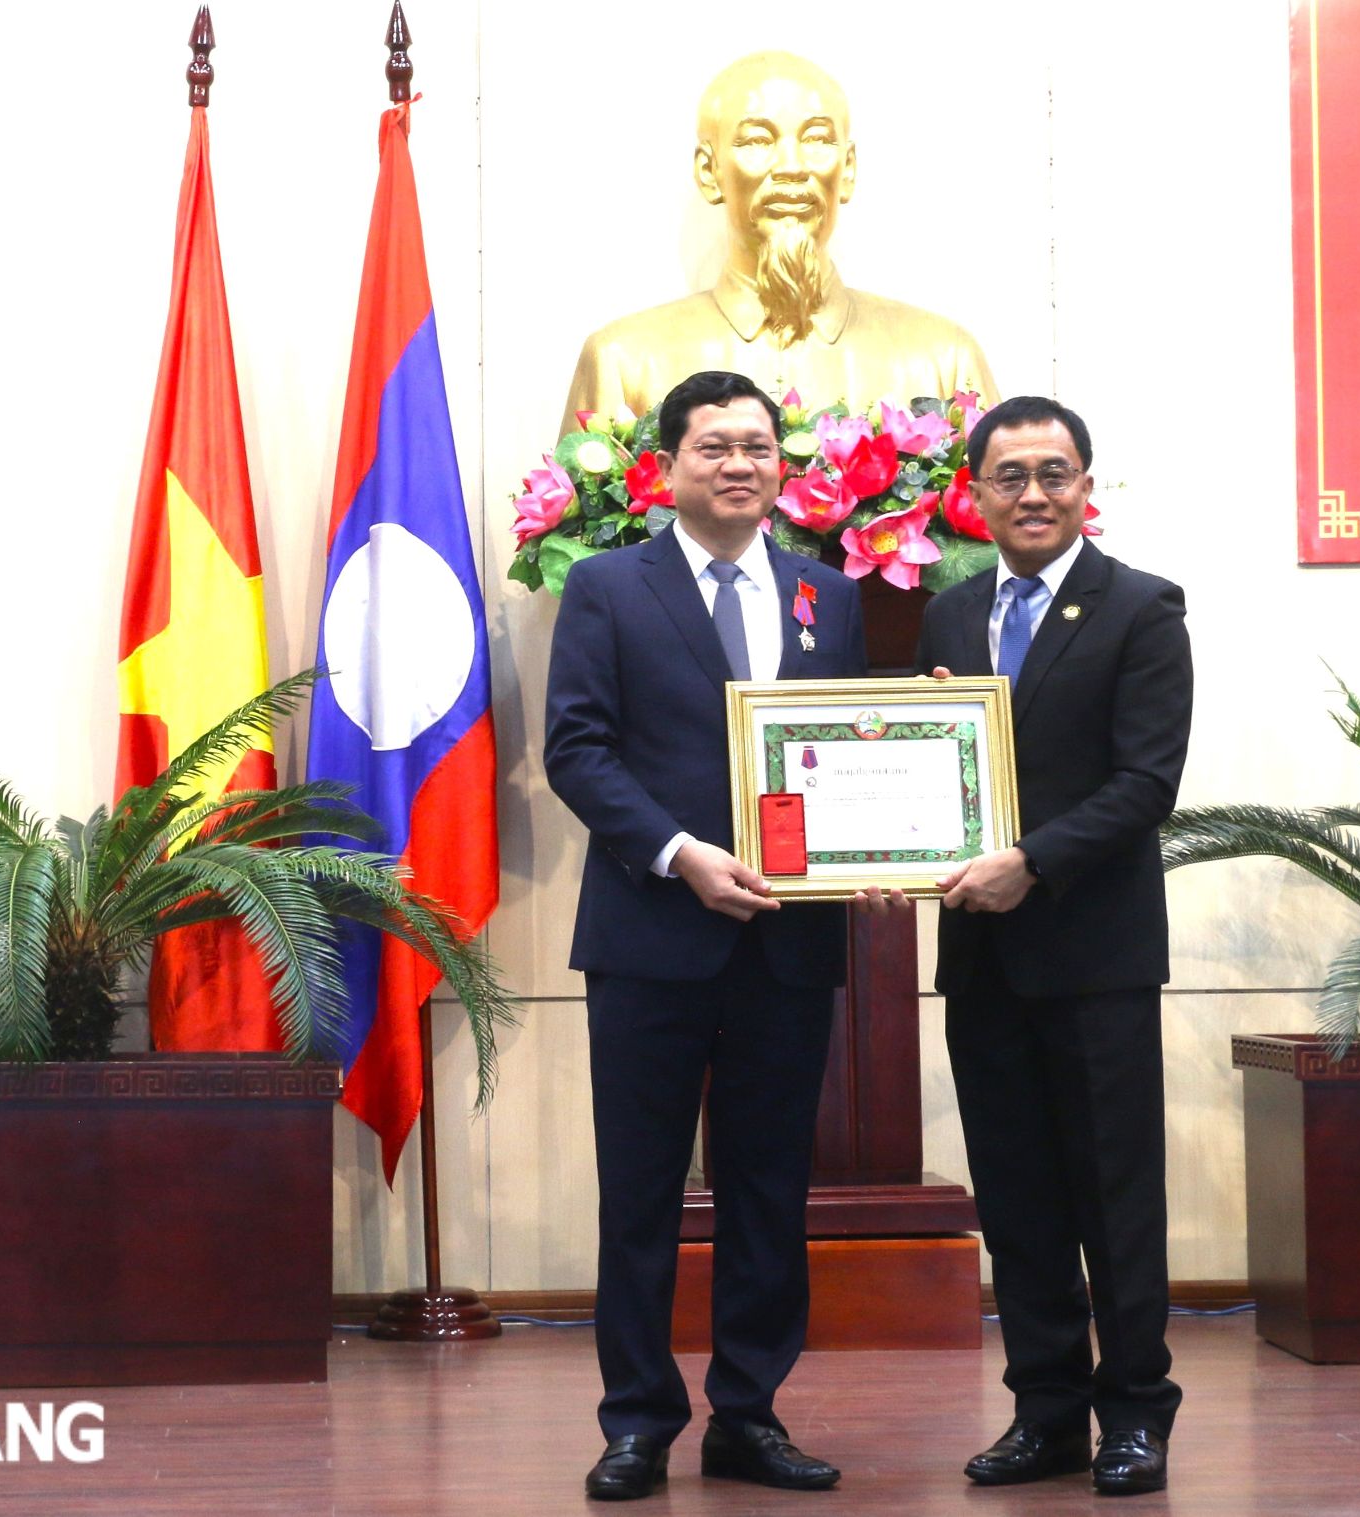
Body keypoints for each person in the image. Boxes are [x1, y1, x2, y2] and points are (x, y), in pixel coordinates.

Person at [543, 370, 867, 1501]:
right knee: (639, 1190)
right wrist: (683, 853)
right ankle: (635, 1419)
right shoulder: (605, 587)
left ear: (782, 466)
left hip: (785, 942)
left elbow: (843, 748)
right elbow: (576, 750)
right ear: (668, 466)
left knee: (768, 1186)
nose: (739, 463)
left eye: (758, 446)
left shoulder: (829, 592)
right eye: (713, 445)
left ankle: (749, 1412)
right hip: (650, 934)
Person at [914, 395, 1193, 1496]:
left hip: (1094, 952)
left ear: (1086, 486)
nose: (1032, 492)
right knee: (1016, 1193)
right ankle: (1045, 1410)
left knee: (1113, 1195)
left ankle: (1134, 1411)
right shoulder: (948, 614)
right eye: (1009, 474)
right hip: (981, 954)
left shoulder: (1138, 609)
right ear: (973, 492)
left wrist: (1029, 857)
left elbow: (1144, 782)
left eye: (1053, 472)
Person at [561, 51, 997, 431]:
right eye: (757, 140)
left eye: (816, 140)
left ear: (847, 170)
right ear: (709, 172)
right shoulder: (624, 362)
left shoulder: (943, 360)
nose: (791, 166)